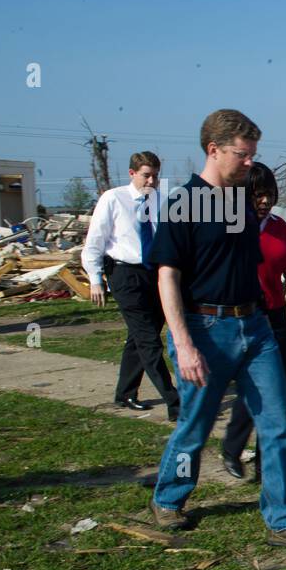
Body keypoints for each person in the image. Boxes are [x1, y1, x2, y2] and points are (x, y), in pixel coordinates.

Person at [146, 109, 286, 553]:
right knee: (196, 425)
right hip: (205, 329)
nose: (250, 164)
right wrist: (183, 344)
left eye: (252, 155)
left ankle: (283, 521)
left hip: (256, 326)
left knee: (278, 428)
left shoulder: (241, 200)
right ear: (213, 149)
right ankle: (169, 499)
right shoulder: (183, 204)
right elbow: (168, 276)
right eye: (243, 155)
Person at [220, 162, 286, 480]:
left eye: (269, 195)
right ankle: (233, 447)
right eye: (257, 195)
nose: (264, 201)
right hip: (240, 318)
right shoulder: (229, 228)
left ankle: (267, 463)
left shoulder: (279, 228)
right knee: (252, 391)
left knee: (275, 393)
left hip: (274, 318)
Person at [81, 151, 180, 421]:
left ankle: (125, 392)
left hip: (154, 273)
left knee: (139, 337)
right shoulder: (113, 199)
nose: (151, 181)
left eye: (156, 176)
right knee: (149, 340)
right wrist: (95, 279)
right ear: (132, 173)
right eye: (146, 175)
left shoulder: (162, 201)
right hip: (124, 274)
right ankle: (174, 400)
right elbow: (95, 242)